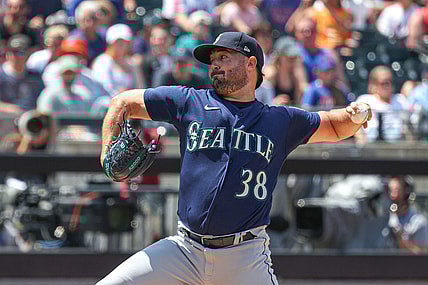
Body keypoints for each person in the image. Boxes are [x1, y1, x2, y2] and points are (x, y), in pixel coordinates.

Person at [97, 31, 372, 285]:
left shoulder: (279, 120)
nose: (214, 64)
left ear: (251, 64)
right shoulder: (189, 102)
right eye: (213, 59)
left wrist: (358, 115)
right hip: (184, 250)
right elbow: (123, 103)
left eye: (224, 57)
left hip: (245, 257)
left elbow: (336, 125)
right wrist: (106, 150)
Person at [384, 175, 428, 253]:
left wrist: (402, 241)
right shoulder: (382, 219)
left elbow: (422, 253)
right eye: (390, 191)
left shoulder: (418, 222)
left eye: (397, 190)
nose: (393, 195)